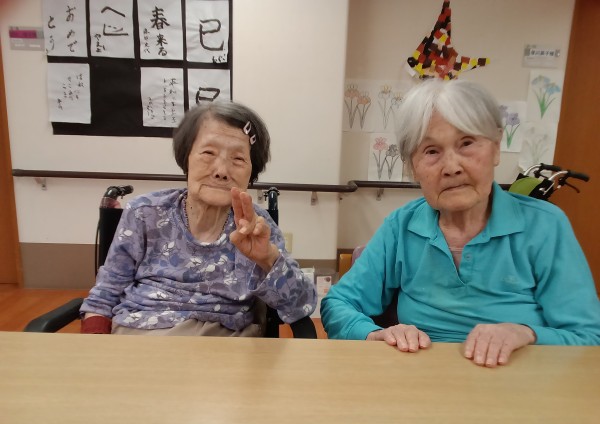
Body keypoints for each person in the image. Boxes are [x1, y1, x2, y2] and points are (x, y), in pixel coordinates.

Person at [321, 79, 600, 367]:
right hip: (420, 379)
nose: (452, 167)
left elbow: (588, 337)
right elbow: (338, 304)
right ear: (412, 167)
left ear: (495, 148)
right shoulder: (401, 227)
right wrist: (374, 334)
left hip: (518, 382)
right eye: (431, 151)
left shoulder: (546, 226)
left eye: (466, 143)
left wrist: (526, 333)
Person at [80, 101, 316, 336]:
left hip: (222, 343)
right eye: (208, 153)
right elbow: (103, 297)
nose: (221, 171)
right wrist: (96, 349)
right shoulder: (145, 212)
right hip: (138, 334)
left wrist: (268, 259)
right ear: (186, 157)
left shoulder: (257, 226)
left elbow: (301, 305)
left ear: (251, 171)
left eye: (238, 159)